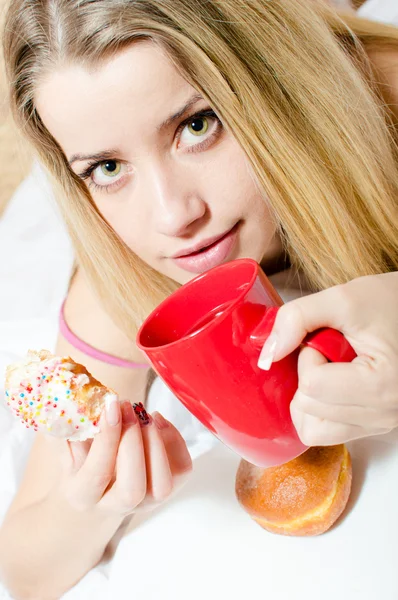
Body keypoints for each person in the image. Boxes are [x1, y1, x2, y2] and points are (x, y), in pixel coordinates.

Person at [0, 0, 398, 598]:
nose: (173, 217)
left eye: (197, 126)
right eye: (107, 167)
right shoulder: (123, 275)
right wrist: (91, 506)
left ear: (272, 78)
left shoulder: (384, 99)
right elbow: (25, 570)